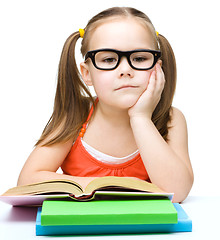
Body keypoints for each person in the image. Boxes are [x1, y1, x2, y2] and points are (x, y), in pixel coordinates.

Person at [17, 7, 193, 203]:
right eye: (109, 59)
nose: (125, 70)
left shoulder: (171, 119)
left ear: (157, 66)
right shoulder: (76, 115)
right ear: (87, 73)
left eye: (140, 58)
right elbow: (27, 181)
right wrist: (102, 188)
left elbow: (177, 191)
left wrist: (141, 118)